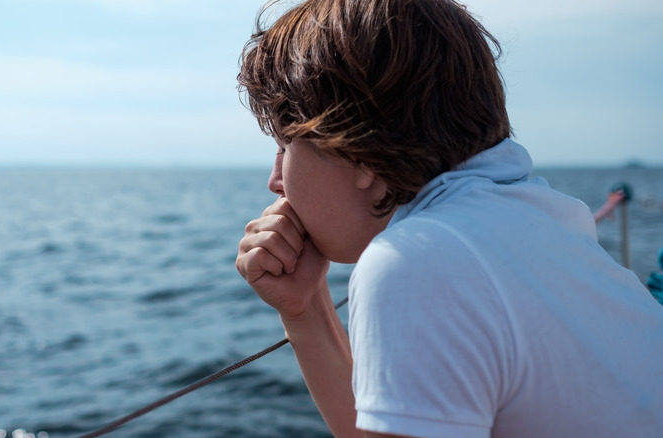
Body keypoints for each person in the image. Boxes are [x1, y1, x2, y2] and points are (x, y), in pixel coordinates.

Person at [234, 0, 663, 437]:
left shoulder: (419, 262)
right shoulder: (547, 217)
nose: (275, 181)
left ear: (354, 148)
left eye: (285, 146)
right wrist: (305, 310)